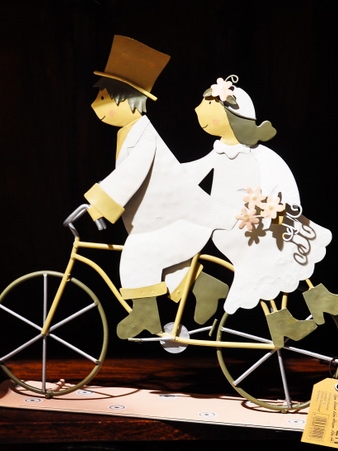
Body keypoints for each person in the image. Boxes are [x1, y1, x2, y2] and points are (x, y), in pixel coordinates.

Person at [183, 75, 338, 347]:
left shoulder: (258, 154)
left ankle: (317, 300)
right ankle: (289, 317)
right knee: (268, 258)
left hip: (258, 219)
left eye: (209, 105)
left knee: (292, 239)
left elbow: (279, 177)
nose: (198, 110)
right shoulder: (219, 153)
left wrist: (279, 205)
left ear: (232, 115)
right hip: (233, 227)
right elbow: (189, 174)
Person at [83, 36, 236, 339]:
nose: (95, 105)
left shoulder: (143, 135)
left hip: (182, 221)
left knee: (137, 253)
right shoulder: (130, 133)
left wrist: (98, 204)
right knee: (168, 265)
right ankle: (207, 288)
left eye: (103, 98)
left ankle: (145, 316)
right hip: (169, 222)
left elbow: (130, 175)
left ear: (125, 101)